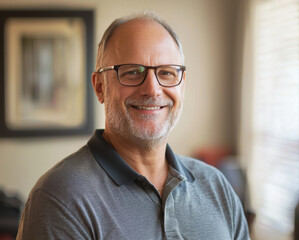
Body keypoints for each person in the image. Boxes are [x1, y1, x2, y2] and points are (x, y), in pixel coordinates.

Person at [16, 11, 250, 240]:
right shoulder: (60, 197)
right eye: (131, 72)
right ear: (100, 87)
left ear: (182, 85)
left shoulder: (217, 187)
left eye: (166, 72)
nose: (152, 89)